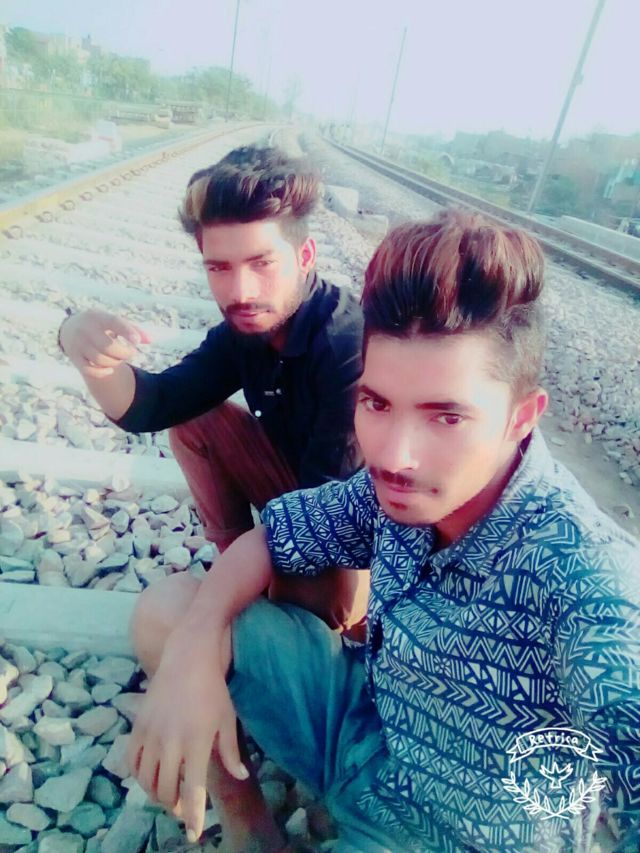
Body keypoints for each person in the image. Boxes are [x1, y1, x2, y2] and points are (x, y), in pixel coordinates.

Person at [127, 209, 640, 852]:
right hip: (358, 730)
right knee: (170, 612)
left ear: (520, 418)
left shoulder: (589, 580)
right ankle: (251, 832)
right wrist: (196, 649)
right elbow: (271, 538)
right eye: (376, 403)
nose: (394, 456)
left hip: (448, 833)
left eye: (445, 417)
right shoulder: (392, 490)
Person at [58, 143, 368, 630]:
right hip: (299, 494)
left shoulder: (347, 347)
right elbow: (153, 405)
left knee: (306, 622)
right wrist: (80, 344)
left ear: (305, 255)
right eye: (219, 268)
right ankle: (240, 565)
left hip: (351, 523)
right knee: (196, 420)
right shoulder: (245, 330)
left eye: (262, 263)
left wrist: (230, 590)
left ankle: (327, 602)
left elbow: (325, 506)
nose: (241, 292)